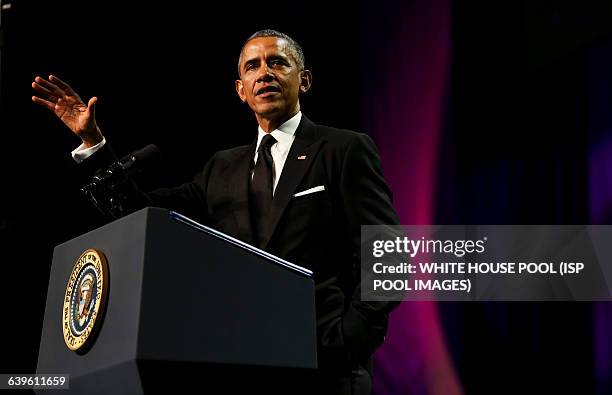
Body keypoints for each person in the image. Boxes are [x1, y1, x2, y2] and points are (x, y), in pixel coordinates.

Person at [32, 29, 400, 395]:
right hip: (241, 363)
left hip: (327, 365)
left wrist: (353, 334)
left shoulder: (343, 148)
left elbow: (388, 250)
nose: (265, 73)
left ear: (303, 80)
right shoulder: (221, 168)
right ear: (241, 90)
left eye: (278, 63)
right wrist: (94, 144)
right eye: (252, 66)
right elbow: (141, 213)